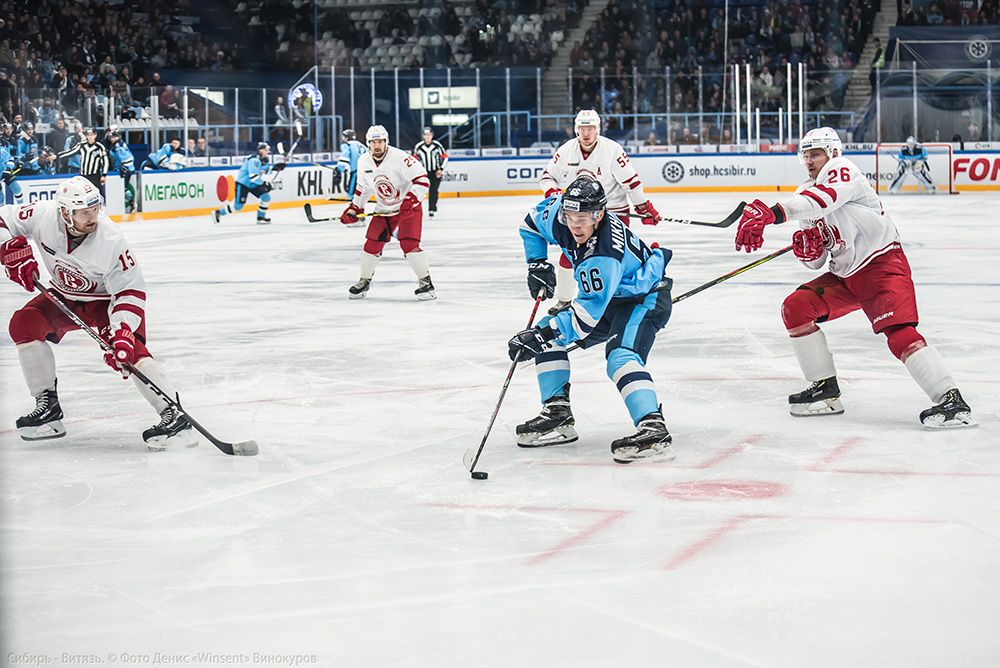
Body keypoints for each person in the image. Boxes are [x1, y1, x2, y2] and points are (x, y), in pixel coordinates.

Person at [733, 127, 975, 429]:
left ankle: (950, 399)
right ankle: (825, 390)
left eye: (815, 154)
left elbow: (825, 200)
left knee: (899, 333)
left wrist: (772, 213)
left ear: (832, 153)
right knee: (796, 308)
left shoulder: (842, 171)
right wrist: (810, 251)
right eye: (805, 155)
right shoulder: (805, 193)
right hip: (846, 277)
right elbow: (818, 260)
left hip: (881, 266)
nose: (809, 160)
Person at [0, 176, 198, 448]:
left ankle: (173, 415)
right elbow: (3, 219)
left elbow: (131, 290)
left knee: (128, 353)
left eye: (95, 209)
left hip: (107, 302)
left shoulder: (111, 238)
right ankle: (48, 409)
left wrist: (123, 330)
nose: (92, 217)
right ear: (65, 212)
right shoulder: (44, 215)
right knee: (24, 323)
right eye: (84, 213)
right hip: (66, 296)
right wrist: (7, 248)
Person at [508, 177, 675, 464]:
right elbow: (531, 223)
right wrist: (536, 262)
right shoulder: (561, 215)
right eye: (569, 216)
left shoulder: (603, 255)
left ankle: (652, 427)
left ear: (599, 215)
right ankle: (557, 413)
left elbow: (584, 320)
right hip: (609, 298)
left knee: (620, 356)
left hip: (642, 298)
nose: (574, 225)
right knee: (551, 338)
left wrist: (539, 333)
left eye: (582, 218)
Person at [538, 109, 662, 314]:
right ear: (576, 130)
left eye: (590, 128)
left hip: (613, 211)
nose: (586, 133)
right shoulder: (567, 150)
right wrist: (556, 196)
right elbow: (546, 178)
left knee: (614, 257)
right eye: (582, 128)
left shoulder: (612, 150)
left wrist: (641, 206)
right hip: (581, 214)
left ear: (598, 129)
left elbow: (631, 182)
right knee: (568, 256)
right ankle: (565, 301)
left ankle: (624, 297)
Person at [339, 125, 434, 300]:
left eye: (380, 141)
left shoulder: (400, 157)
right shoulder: (363, 161)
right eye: (373, 142)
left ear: (386, 142)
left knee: (408, 244)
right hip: (384, 209)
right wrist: (354, 208)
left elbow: (422, 180)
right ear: (368, 143)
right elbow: (362, 189)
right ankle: (364, 281)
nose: (377, 145)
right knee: (371, 243)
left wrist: (411, 199)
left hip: (408, 207)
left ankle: (426, 283)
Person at [212, 141, 284, 225]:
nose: (267, 152)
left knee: (266, 197)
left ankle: (260, 217)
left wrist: (275, 168)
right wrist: (264, 183)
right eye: (266, 150)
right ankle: (218, 212)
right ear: (260, 151)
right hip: (243, 184)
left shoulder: (262, 159)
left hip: (252, 184)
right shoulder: (254, 160)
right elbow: (253, 176)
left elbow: (264, 170)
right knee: (238, 206)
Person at [57, 127, 109, 195]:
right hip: (83, 175)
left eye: (92, 134)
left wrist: (104, 174)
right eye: (88, 135)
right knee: (83, 193)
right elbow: (70, 152)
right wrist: (57, 155)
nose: (90, 137)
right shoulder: (81, 145)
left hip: (95, 175)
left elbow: (105, 162)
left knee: (97, 193)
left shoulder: (100, 147)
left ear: (95, 135)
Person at [412, 127, 448, 217]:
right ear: (423, 136)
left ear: (432, 135)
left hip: (435, 172)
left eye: (429, 135)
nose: (427, 137)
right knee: (419, 190)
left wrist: (441, 169)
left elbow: (445, 157)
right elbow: (413, 160)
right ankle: (415, 209)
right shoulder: (419, 147)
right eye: (425, 135)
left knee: (433, 190)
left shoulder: (437, 145)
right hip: (424, 172)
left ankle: (432, 208)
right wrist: (416, 171)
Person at [107, 130, 136, 211]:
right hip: (124, 169)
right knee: (124, 188)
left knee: (122, 188)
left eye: (114, 137)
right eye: (111, 137)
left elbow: (129, 158)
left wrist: (124, 167)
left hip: (124, 170)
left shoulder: (118, 146)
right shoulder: (118, 144)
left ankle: (130, 202)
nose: (112, 139)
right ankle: (131, 201)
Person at [335, 129, 366, 197]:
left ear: (347, 137)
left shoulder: (347, 145)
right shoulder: (362, 146)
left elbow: (344, 158)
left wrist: (339, 170)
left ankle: (351, 200)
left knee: (351, 190)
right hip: (365, 172)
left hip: (355, 171)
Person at [1, 140, 24, 205]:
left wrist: (8, 168)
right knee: (0, 197)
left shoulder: (2, 150)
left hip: (3, 172)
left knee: (16, 187)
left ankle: (21, 206)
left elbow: (10, 159)